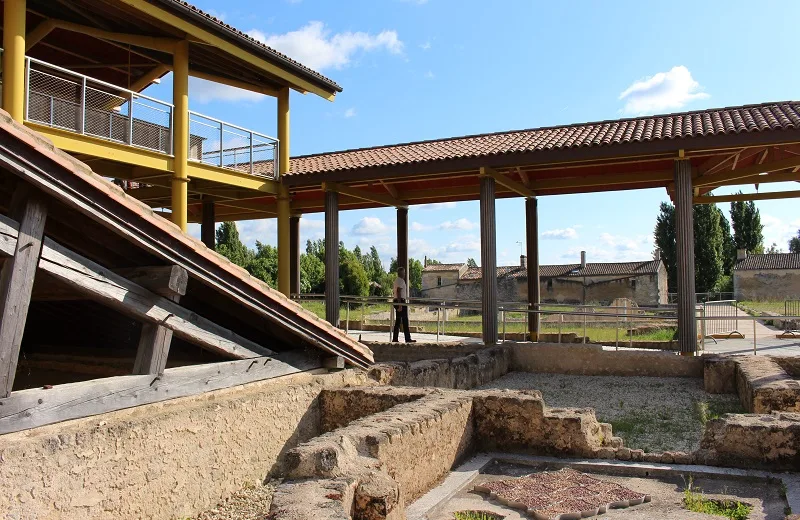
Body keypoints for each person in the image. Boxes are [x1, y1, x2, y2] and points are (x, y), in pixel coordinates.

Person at [392, 267, 415, 343]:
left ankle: (395, 338)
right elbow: (398, 291)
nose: (405, 274)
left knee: (398, 321)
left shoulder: (396, 280)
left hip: (398, 301)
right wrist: (400, 304)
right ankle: (407, 338)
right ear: (401, 273)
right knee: (405, 320)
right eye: (404, 272)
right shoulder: (401, 281)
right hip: (400, 301)